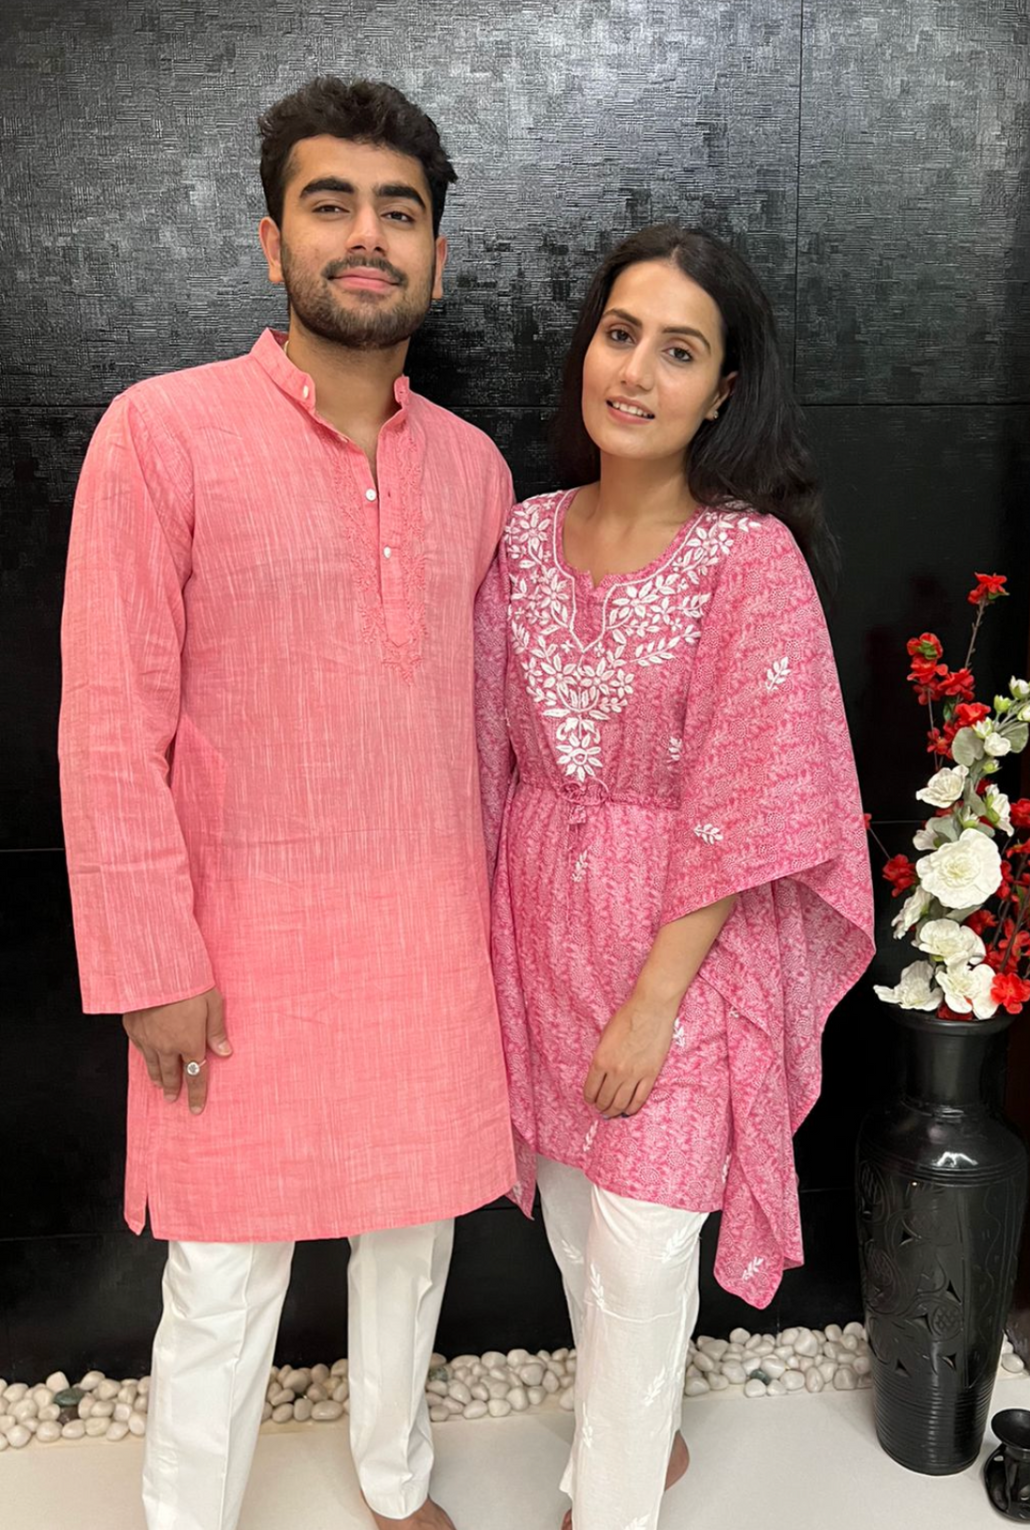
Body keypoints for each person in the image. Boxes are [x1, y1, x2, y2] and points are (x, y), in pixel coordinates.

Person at [58, 77, 515, 1530]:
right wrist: (151, 963)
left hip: (425, 944)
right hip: (233, 948)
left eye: (399, 212)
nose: (366, 236)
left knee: (414, 1239)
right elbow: (108, 725)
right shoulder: (162, 434)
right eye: (331, 205)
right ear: (272, 242)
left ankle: (394, 1481)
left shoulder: (476, 472)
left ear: (437, 256)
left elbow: (487, 728)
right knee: (222, 1269)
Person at [475, 224, 875, 1530]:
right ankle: (641, 1449)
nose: (638, 371)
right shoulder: (521, 539)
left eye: (681, 350)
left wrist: (654, 1002)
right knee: (579, 1242)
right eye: (621, 333)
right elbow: (476, 744)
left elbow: (755, 799)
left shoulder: (746, 560)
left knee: (645, 1260)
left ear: (722, 391)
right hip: (538, 937)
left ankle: (613, 1506)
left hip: (677, 956)